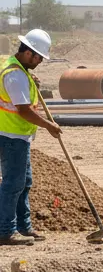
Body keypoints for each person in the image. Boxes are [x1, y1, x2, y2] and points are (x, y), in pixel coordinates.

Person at [0, 28, 62, 246]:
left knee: (24, 182)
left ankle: (23, 227)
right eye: (39, 58)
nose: (40, 62)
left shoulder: (17, 68)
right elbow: (24, 110)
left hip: (19, 136)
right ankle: (6, 230)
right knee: (13, 184)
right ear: (29, 53)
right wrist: (48, 125)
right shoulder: (15, 75)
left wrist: (30, 78)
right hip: (11, 136)